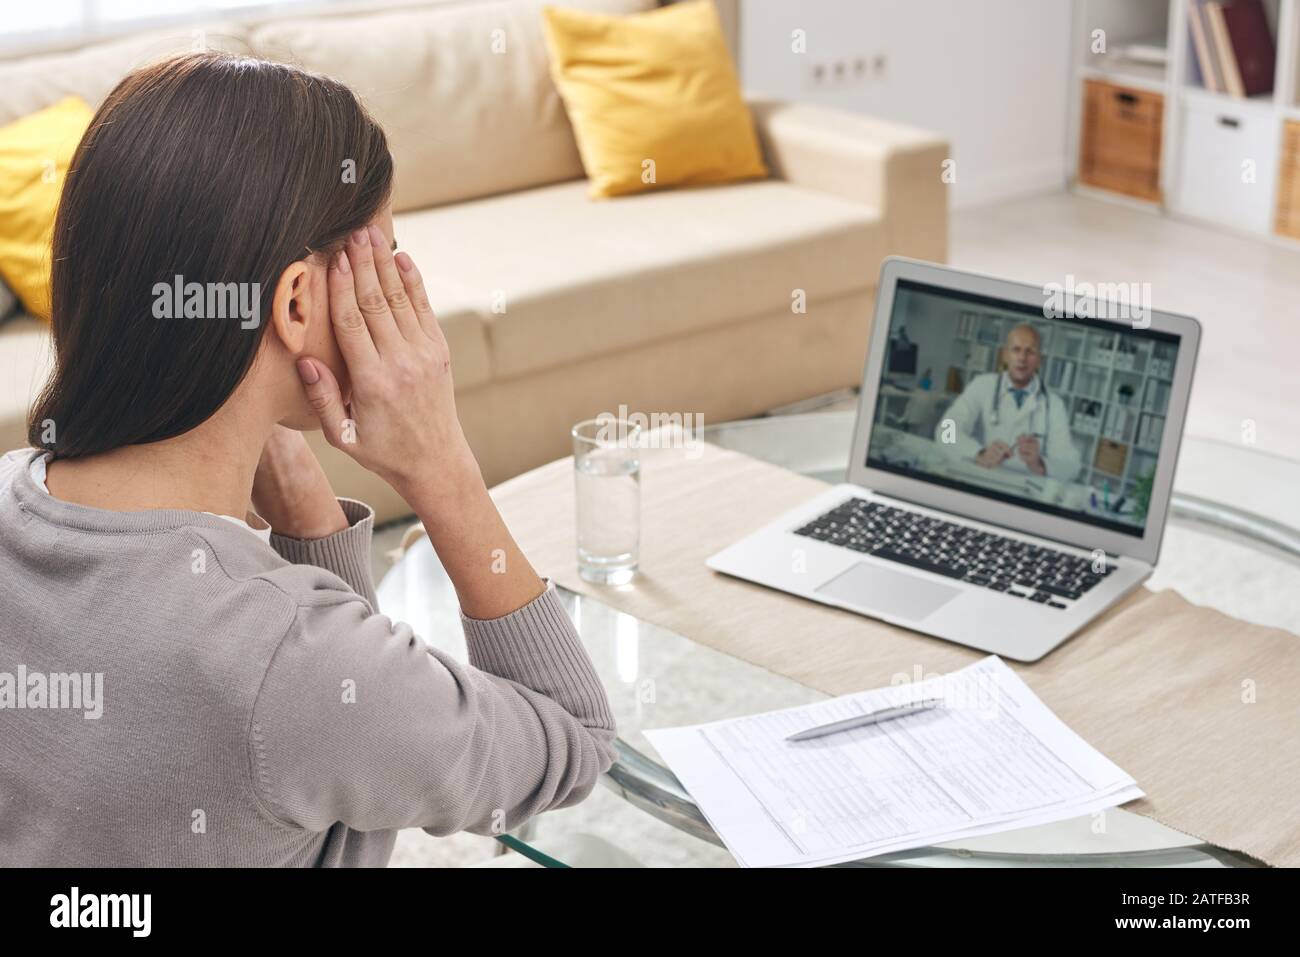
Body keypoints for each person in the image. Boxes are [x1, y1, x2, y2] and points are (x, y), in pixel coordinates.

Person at [0, 53, 615, 866]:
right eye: (382, 261)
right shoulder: (286, 658)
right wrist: (441, 464)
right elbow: (574, 738)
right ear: (295, 302)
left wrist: (305, 511)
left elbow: (325, 745)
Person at [935, 323, 1081, 480]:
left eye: (1030, 352)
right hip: (980, 477)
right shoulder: (982, 385)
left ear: (1039, 360)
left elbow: (1071, 465)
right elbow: (945, 431)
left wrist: (1039, 464)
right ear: (1005, 355)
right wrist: (979, 453)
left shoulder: (1054, 405)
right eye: (1016, 349)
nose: (1022, 358)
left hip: (1025, 489)